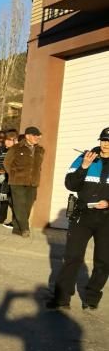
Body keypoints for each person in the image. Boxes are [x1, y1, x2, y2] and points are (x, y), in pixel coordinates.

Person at [46, 127, 109, 310]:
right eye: (103, 140)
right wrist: (83, 167)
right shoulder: (85, 157)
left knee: (104, 261)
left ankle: (91, 298)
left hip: (106, 219)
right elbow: (70, 184)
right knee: (72, 257)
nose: (105, 144)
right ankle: (61, 300)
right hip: (83, 215)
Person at [4, 125, 45, 238]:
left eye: (38, 136)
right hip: (17, 181)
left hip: (32, 182)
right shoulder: (16, 148)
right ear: (27, 136)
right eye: (35, 135)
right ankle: (25, 228)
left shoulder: (40, 150)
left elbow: (39, 166)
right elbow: (7, 163)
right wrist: (13, 174)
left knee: (27, 206)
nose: (37, 137)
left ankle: (17, 229)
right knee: (19, 205)